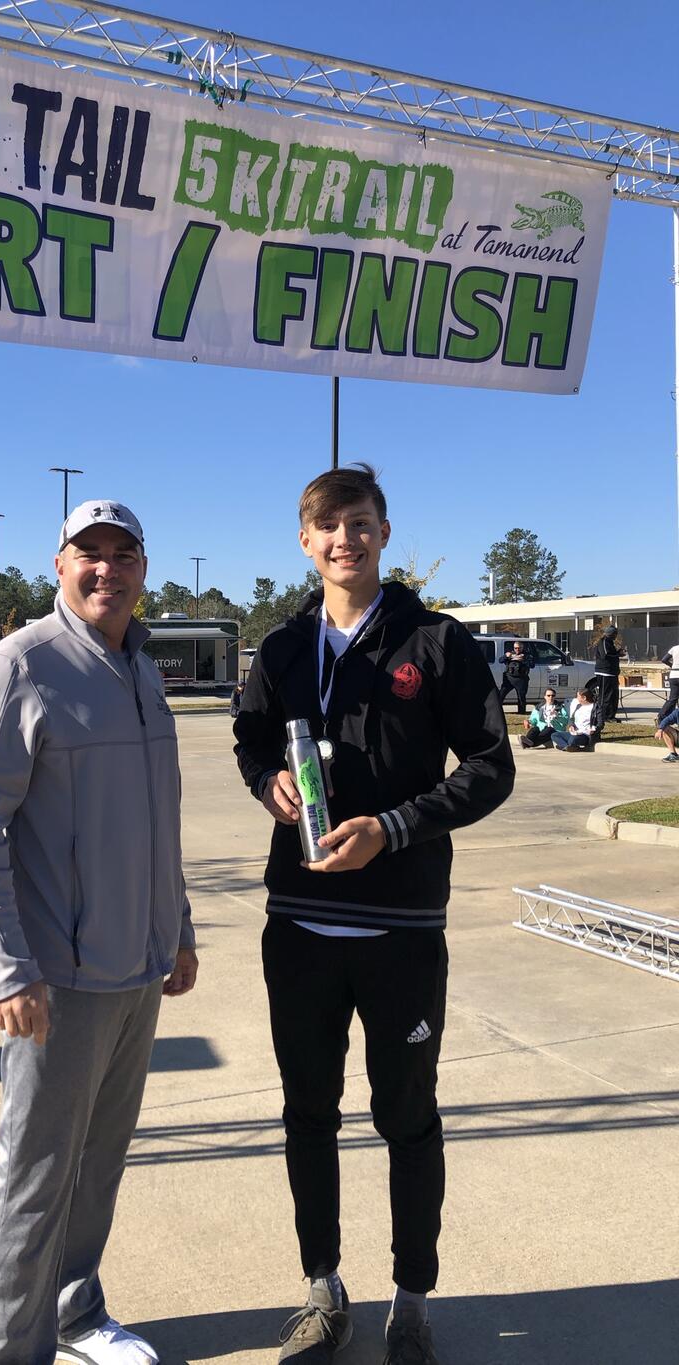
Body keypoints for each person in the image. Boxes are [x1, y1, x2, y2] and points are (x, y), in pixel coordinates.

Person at [233, 464, 514, 1365]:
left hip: (400, 930)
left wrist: (394, 828)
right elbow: (249, 737)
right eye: (327, 526)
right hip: (300, 924)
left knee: (408, 1117)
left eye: (359, 522)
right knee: (307, 1113)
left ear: (384, 533)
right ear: (305, 543)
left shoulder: (436, 641)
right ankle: (323, 1289)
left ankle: (412, 1301)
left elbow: (491, 766)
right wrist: (266, 782)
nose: (344, 538)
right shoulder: (282, 647)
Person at [0, 499, 198, 1365]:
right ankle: (13, 1352)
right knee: (36, 1177)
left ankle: (76, 1313)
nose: (106, 569)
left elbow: (158, 819)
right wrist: (7, 968)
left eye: (123, 554)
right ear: (59, 565)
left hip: (138, 971)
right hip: (57, 980)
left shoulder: (143, 672)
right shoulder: (21, 666)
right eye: (89, 552)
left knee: (98, 1166)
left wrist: (178, 928)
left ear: (143, 569)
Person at [592, 626, 626, 723]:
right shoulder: (603, 641)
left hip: (612, 673)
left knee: (613, 695)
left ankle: (611, 716)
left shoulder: (610, 642)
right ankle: (603, 716)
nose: (616, 636)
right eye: (615, 634)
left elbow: (611, 653)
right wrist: (618, 654)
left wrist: (617, 652)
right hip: (604, 672)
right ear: (611, 634)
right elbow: (605, 654)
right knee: (605, 696)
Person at [551, 686, 598, 751]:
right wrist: (571, 725)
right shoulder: (578, 706)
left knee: (572, 740)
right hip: (575, 732)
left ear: (584, 698)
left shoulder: (595, 708)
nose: (577, 698)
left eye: (578, 696)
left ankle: (564, 746)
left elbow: (600, 723)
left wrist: (594, 729)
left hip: (585, 735)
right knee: (555, 735)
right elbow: (572, 719)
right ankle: (567, 747)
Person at [497, 640, 531, 714]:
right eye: (516, 648)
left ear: (522, 648)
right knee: (501, 695)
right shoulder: (510, 654)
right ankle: (496, 710)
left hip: (521, 679)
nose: (517, 649)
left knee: (521, 697)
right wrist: (505, 656)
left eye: (519, 648)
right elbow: (500, 660)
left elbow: (532, 665)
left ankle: (521, 712)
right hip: (509, 679)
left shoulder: (526, 655)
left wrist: (523, 660)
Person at [655, 644, 679, 725]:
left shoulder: (674, 648)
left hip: (673, 675)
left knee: (672, 699)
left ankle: (661, 716)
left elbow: (664, 659)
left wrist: (672, 665)